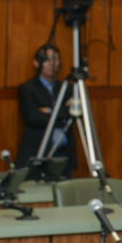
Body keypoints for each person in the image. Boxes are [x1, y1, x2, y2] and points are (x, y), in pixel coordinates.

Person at [16, 44, 77, 178]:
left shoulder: (67, 88)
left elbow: (74, 114)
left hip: (64, 153)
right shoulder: (28, 88)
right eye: (47, 59)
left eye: (55, 59)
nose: (51, 63)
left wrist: (49, 110)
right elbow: (34, 117)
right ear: (36, 63)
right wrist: (63, 113)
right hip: (38, 151)